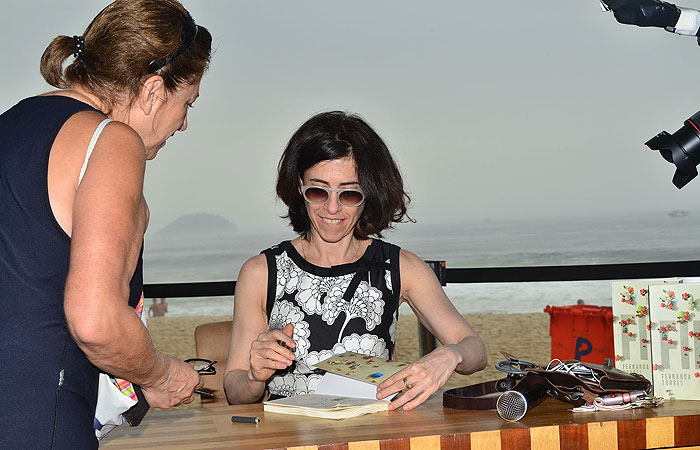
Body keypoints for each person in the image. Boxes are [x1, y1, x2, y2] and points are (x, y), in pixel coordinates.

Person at [0, 1, 212, 448]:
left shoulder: (12, 123)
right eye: (186, 103)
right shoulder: (110, 140)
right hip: (37, 420)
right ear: (153, 90)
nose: (185, 124)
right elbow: (95, 320)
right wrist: (159, 373)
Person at [223, 111, 487, 411]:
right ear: (299, 188)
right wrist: (255, 377)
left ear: (369, 194)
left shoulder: (400, 267)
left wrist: (450, 355)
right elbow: (235, 391)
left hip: (370, 437)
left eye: (349, 194)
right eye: (317, 191)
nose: (332, 208)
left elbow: (475, 349)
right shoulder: (261, 273)